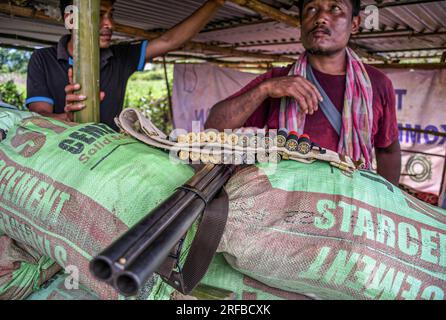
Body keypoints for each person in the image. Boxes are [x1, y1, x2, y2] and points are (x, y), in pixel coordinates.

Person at [205, 0, 401, 185]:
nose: (321, 18)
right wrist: (265, 89)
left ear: (355, 24)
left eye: (335, 8)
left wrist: (390, 205)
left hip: (352, 203)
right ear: (301, 24)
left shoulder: (377, 84)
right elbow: (214, 125)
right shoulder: (277, 80)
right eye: (311, 9)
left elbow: (387, 151)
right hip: (285, 206)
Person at [26, 0, 225, 131]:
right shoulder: (42, 59)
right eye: (99, 15)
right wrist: (67, 118)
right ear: (70, 19)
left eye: (111, 14)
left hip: (109, 155)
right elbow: (40, 116)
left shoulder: (120, 56)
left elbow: (168, 41)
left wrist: (215, 3)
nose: (109, 24)